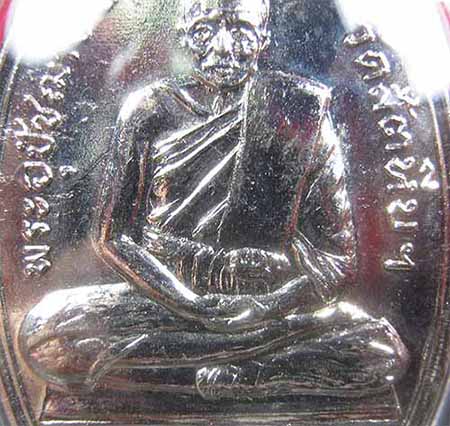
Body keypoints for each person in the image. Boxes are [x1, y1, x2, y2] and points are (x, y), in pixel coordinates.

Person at [19, 0, 409, 401]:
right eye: (206, 31)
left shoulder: (298, 109)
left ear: (263, 40)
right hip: (162, 300)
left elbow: (337, 262)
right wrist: (190, 303)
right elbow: (111, 237)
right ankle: (243, 371)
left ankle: (240, 376)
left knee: (381, 352)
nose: (224, 48)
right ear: (185, 38)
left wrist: (267, 306)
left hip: (265, 304)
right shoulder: (149, 110)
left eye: (241, 32)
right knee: (46, 336)